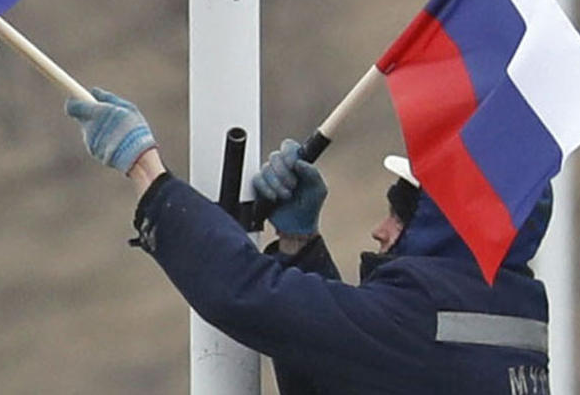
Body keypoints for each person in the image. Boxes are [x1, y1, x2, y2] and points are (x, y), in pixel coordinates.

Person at [67, 88, 553, 395]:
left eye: (403, 214)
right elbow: (343, 366)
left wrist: (146, 172)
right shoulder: (509, 320)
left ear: (451, 225)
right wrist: (299, 243)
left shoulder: (425, 321)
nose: (380, 230)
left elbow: (247, 294)